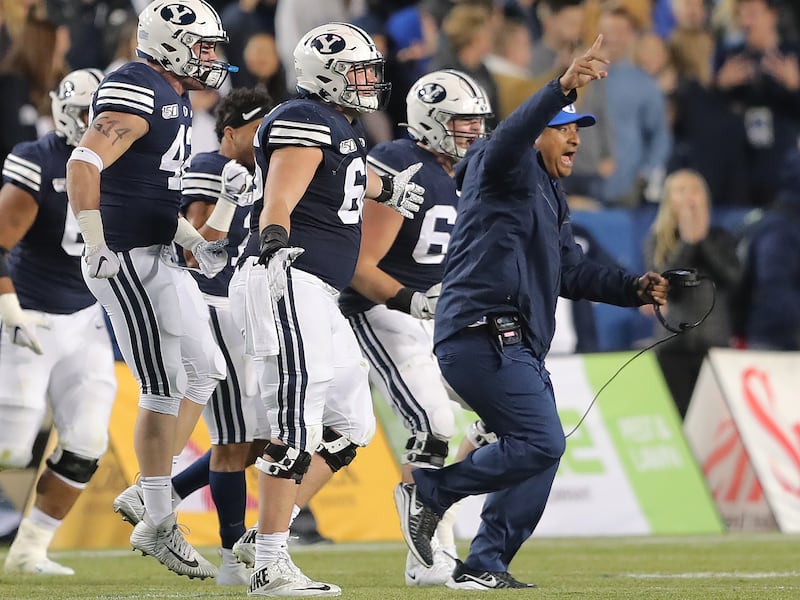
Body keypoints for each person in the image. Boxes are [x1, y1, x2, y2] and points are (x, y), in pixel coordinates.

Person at [394, 36, 669, 590]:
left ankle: (484, 565)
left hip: (514, 340)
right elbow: (509, 137)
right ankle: (432, 491)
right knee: (544, 441)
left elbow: (572, 271)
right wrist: (561, 84)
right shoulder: (501, 166)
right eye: (565, 125)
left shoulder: (547, 192)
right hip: (480, 333)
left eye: (579, 128)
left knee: (538, 454)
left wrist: (636, 287)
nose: (575, 138)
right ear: (535, 133)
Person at [229, 21, 424, 597]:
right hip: (290, 277)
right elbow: (283, 192)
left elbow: (333, 179)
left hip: (319, 290)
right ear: (326, 76)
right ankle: (268, 564)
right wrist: (272, 234)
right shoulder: (304, 117)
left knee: (352, 425)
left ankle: (266, 537)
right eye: (358, 72)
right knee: (296, 420)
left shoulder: (337, 127)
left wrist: (380, 191)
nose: (368, 82)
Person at [65, 0, 235, 579]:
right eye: (202, 47)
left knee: (205, 372)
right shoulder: (134, 87)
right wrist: (94, 239)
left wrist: (193, 235)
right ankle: (159, 519)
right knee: (164, 384)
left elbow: (152, 193)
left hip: (157, 250)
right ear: (167, 42)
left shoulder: (175, 95)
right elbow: (85, 162)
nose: (210, 59)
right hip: (126, 257)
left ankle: (149, 495)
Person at [111, 87, 273, 586]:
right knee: (233, 441)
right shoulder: (212, 164)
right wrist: (228, 202)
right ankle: (225, 557)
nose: (264, 136)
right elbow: (197, 247)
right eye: (255, 128)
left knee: (257, 438)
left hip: (235, 304)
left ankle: (162, 493)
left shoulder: (251, 171)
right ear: (230, 131)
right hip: (209, 301)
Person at [339, 69, 493, 587]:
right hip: (385, 311)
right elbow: (358, 265)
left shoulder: (462, 171)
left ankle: (433, 530)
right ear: (431, 120)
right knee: (432, 425)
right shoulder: (403, 167)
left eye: (477, 120)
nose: (473, 130)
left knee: (509, 412)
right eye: (462, 120)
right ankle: (433, 556)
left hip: (435, 314)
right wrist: (412, 300)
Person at [0, 68, 116, 576]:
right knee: (10, 445)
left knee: (87, 440)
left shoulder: (129, 164)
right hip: (30, 314)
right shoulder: (37, 160)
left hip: (86, 317)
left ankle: (29, 550)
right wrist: (9, 311)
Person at [643, 169, 741, 418]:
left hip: (714, 347)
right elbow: (665, 286)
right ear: (668, 200)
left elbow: (732, 277)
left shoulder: (721, 237)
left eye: (695, 190)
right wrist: (686, 242)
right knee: (679, 418)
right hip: (673, 347)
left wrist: (702, 240)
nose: (689, 198)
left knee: (713, 421)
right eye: (681, 191)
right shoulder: (658, 239)